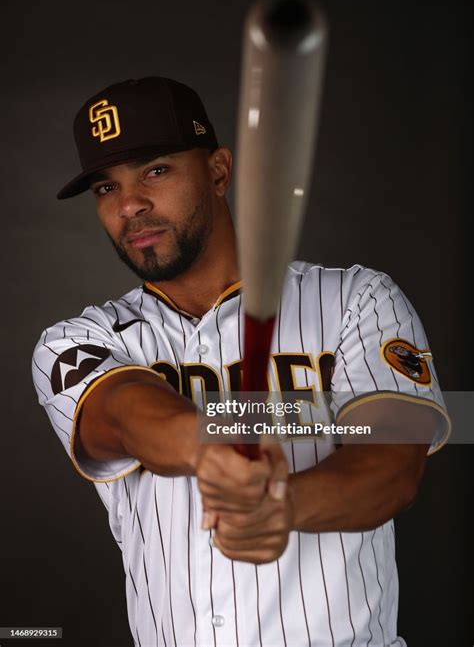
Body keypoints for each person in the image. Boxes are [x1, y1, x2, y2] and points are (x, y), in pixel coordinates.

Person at [32, 76, 450, 647]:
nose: (130, 204)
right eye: (106, 187)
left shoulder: (358, 299)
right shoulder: (77, 338)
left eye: (155, 170)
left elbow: (394, 465)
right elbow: (125, 416)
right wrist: (212, 443)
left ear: (219, 172)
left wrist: (283, 506)